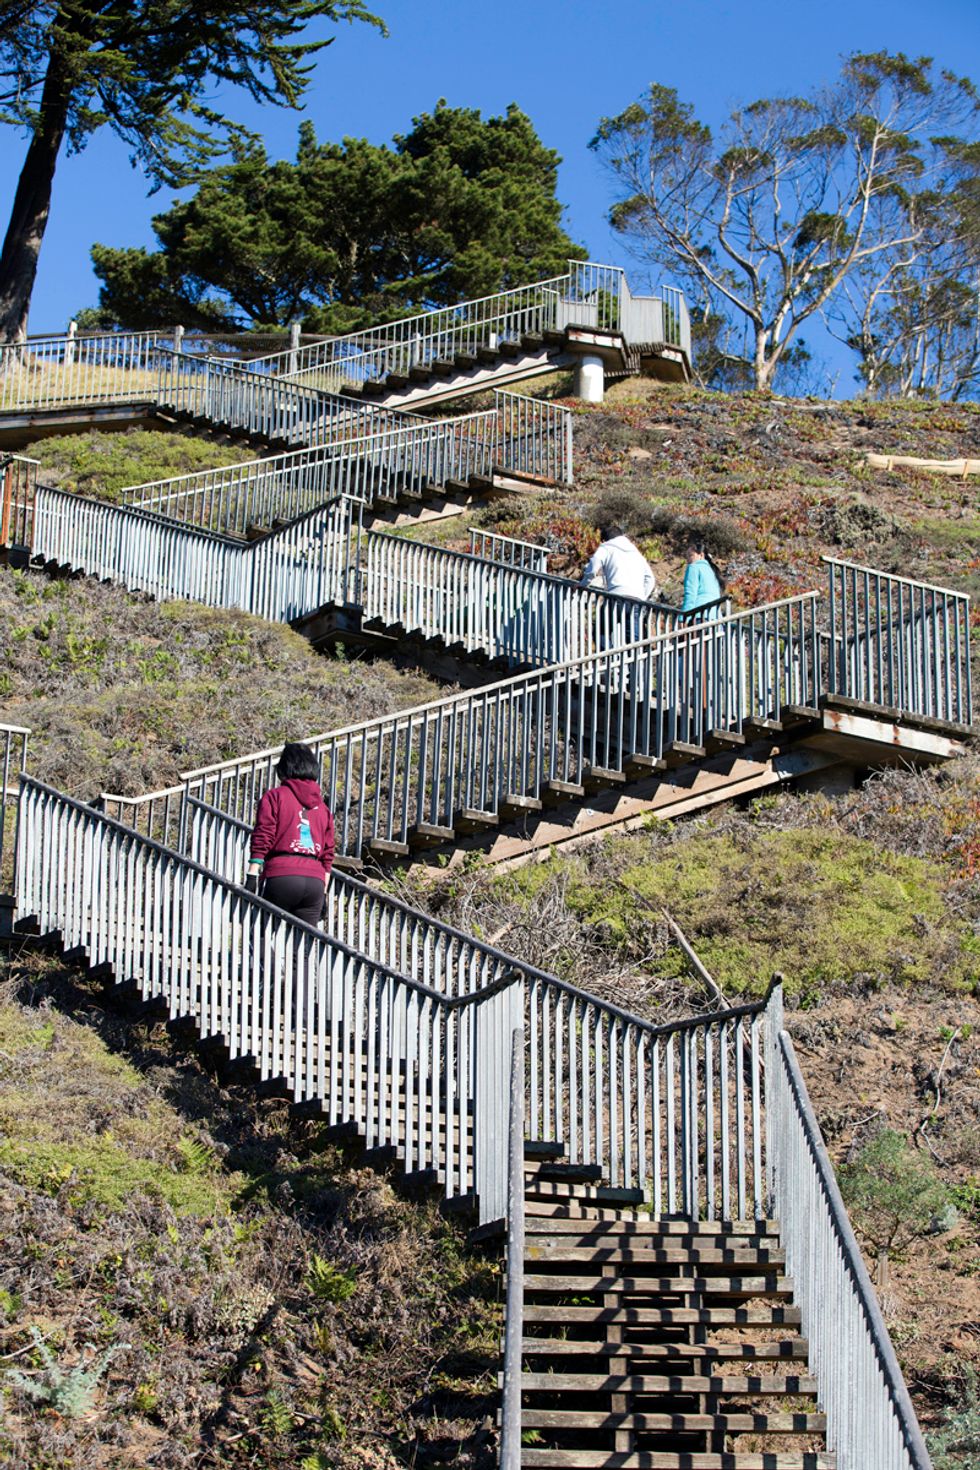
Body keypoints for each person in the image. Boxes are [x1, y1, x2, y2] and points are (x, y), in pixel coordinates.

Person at [244, 743, 335, 925]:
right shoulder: (323, 808)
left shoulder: (275, 797)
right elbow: (328, 853)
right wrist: (324, 892)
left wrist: (252, 876)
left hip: (281, 874)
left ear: (284, 768)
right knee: (303, 941)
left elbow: (264, 834)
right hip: (315, 881)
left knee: (261, 932)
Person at [580, 519, 658, 602]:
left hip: (616, 596)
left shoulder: (606, 547)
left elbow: (594, 566)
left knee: (606, 610)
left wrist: (582, 584)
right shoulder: (636, 552)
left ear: (603, 540)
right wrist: (642, 598)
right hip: (637, 601)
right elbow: (650, 579)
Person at [681, 539, 724, 617]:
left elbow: (690, 595)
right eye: (687, 556)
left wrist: (683, 618)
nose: (688, 560)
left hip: (699, 616)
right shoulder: (712, 571)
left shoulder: (693, 567)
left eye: (691, 555)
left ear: (701, 555)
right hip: (715, 617)